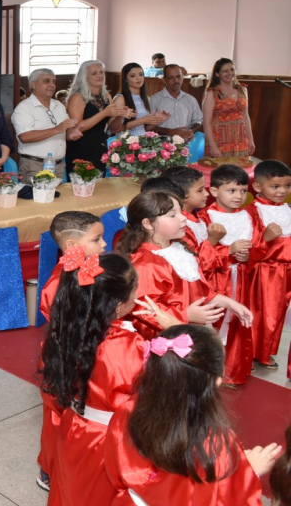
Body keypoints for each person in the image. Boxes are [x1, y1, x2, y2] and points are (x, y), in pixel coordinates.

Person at [41, 252, 170, 504]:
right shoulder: (128, 346)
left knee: (73, 488)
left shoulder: (63, 333)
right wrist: (172, 327)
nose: (137, 296)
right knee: (100, 494)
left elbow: (53, 390)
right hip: (111, 440)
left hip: (75, 426)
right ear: (119, 304)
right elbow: (156, 396)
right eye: (135, 291)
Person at [104, 324, 281, 505]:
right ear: (217, 381)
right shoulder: (214, 444)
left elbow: (114, 473)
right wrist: (249, 471)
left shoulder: (127, 411)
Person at [116, 191, 251, 339]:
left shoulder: (181, 250)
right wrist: (186, 315)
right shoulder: (145, 264)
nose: (183, 218)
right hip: (166, 340)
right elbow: (144, 311)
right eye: (172, 215)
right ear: (148, 224)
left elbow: (202, 293)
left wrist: (230, 304)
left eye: (181, 212)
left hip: (190, 331)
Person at [35, 211, 106, 492]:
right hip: (65, 357)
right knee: (58, 417)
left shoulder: (92, 269)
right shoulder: (58, 285)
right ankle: (49, 468)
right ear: (71, 247)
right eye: (97, 239)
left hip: (86, 354)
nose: (103, 245)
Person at [199, 164, 257, 384]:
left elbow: (259, 244)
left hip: (242, 278)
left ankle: (233, 370)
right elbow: (201, 254)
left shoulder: (248, 216)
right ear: (214, 191)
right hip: (218, 280)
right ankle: (210, 371)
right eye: (231, 190)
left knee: (237, 321)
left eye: (243, 191)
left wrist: (248, 257)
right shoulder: (206, 217)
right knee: (216, 322)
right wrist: (228, 251)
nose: (238, 196)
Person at [245, 160, 291, 372]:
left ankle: (265, 351)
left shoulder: (287, 209)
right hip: (266, 271)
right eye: (275, 186)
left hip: (286, 271)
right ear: (257, 187)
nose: (282, 191)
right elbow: (249, 249)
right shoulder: (252, 212)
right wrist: (266, 238)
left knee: (278, 314)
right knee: (264, 313)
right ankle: (252, 352)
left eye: (287, 186)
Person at [11, 68, 78, 182]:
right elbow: (25, 137)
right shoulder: (24, 108)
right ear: (34, 84)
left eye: (54, 81)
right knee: (35, 199)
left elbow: (64, 132)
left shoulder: (59, 106)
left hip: (58, 166)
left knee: (59, 200)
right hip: (35, 166)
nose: (52, 85)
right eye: (47, 81)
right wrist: (57, 129)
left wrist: (72, 134)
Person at [65, 60, 132, 173]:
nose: (99, 76)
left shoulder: (106, 96)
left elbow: (113, 128)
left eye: (101, 72)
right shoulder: (77, 97)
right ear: (84, 76)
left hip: (100, 145)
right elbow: (77, 128)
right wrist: (104, 113)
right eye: (94, 73)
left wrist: (120, 116)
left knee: (99, 186)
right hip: (81, 147)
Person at [202, 57, 254, 159]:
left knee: (240, 172)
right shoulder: (212, 93)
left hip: (240, 139)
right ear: (217, 74)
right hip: (219, 140)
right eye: (225, 71)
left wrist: (250, 139)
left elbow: (245, 115)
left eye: (232, 69)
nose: (230, 73)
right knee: (221, 172)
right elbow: (206, 122)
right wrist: (213, 146)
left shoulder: (242, 90)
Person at [108, 63, 169, 136]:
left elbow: (144, 128)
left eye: (141, 74)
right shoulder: (120, 98)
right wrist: (141, 120)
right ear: (126, 79)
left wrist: (157, 120)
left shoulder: (146, 98)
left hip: (141, 141)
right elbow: (113, 129)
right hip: (124, 143)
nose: (138, 78)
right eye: (133, 76)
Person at [149, 64, 202, 142]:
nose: (176, 80)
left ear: (182, 78)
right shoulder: (154, 100)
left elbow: (198, 120)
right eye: (171, 78)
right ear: (164, 80)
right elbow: (148, 127)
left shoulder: (190, 100)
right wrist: (170, 132)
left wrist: (191, 131)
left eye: (178, 77)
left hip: (185, 143)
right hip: (161, 144)